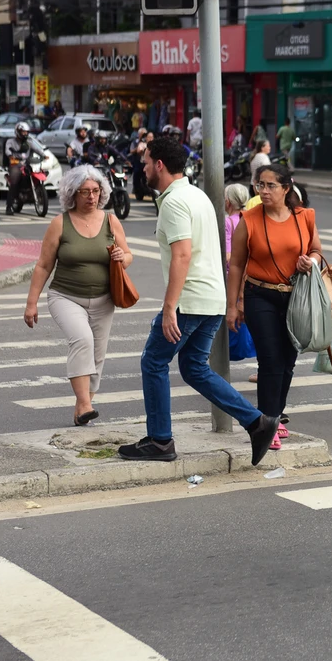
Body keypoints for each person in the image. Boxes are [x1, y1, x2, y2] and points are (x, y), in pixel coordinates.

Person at [119, 136, 280, 464]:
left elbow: (182, 255)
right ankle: (257, 422)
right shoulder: (198, 196)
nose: (144, 167)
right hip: (212, 299)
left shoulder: (175, 203)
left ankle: (160, 440)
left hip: (190, 301)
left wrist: (169, 309)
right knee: (193, 368)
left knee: (153, 361)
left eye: (147, 162)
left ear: (160, 165)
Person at [23, 166, 133, 425]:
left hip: (104, 299)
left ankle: (83, 407)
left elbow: (128, 255)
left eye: (96, 191)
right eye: (85, 192)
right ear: (72, 194)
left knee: (97, 354)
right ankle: (84, 403)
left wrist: (122, 257)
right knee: (82, 339)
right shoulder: (60, 223)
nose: (91, 197)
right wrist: (31, 303)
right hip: (66, 296)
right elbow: (43, 265)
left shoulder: (110, 221)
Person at [227, 164, 324, 449]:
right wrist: (232, 305)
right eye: (260, 185)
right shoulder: (250, 219)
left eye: (270, 185)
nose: (264, 191)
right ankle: (267, 423)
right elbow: (235, 265)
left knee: (288, 362)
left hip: (295, 298)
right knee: (270, 360)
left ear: (286, 188)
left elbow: (317, 250)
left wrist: (312, 261)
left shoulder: (304, 217)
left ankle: (276, 414)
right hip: (260, 295)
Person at [224, 183, 259, 385]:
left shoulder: (229, 223)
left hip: (236, 281)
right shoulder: (252, 219)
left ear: (228, 201)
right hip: (255, 278)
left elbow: (230, 257)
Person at [4, 122, 45, 215]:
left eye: (26, 132)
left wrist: (44, 155)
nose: (25, 134)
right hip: (15, 164)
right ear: (18, 132)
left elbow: (37, 149)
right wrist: (11, 156)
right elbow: (7, 150)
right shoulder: (10, 141)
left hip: (26, 164)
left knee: (37, 173)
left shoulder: (29, 142)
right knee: (14, 182)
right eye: (23, 132)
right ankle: (9, 206)